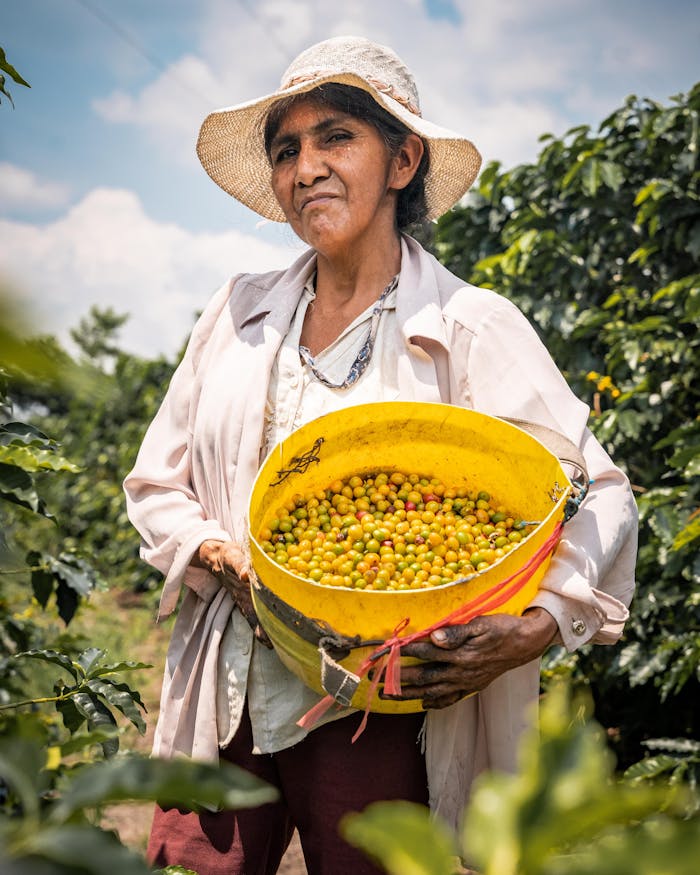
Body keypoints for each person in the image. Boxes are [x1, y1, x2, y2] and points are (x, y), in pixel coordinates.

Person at [124, 35, 638, 875]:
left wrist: (538, 623)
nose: (305, 168)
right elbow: (157, 484)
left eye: (335, 138)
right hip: (230, 697)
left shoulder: (471, 326)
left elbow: (601, 490)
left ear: (402, 161)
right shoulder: (239, 312)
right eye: (286, 149)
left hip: (382, 702)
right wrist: (228, 556)